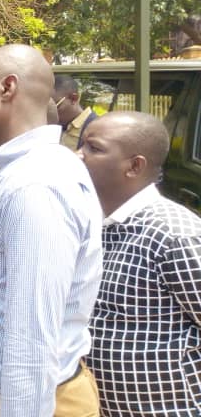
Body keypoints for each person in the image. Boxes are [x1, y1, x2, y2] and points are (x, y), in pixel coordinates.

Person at [0, 44, 103, 417]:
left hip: (14, 402)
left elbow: (33, 337)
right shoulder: (21, 172)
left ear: (7, 87)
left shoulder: (35, 184)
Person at [78, 111, 201, 416]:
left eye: (94, 148)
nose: (78, 155)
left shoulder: (174, 234)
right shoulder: (91, 224)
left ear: (134, 166)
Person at [52, 75, 99, 151]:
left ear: (73, 99)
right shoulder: (53, 126)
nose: (50, 112)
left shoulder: (97, 129)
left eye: (55, 107)